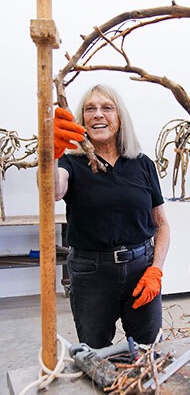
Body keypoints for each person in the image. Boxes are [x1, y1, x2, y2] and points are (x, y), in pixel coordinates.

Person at [53, 84, 170, 349]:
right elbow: (53, 190)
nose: (98, 114)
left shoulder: (142, 164)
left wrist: (156, 271)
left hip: (142, 268)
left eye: (107, 108)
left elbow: (162, 225)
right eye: (89, 109)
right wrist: (52, 153)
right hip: (91, 272)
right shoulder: (70, 164)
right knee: (95, 353)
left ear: (120, 118)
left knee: (147, 349)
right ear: (81, 119)